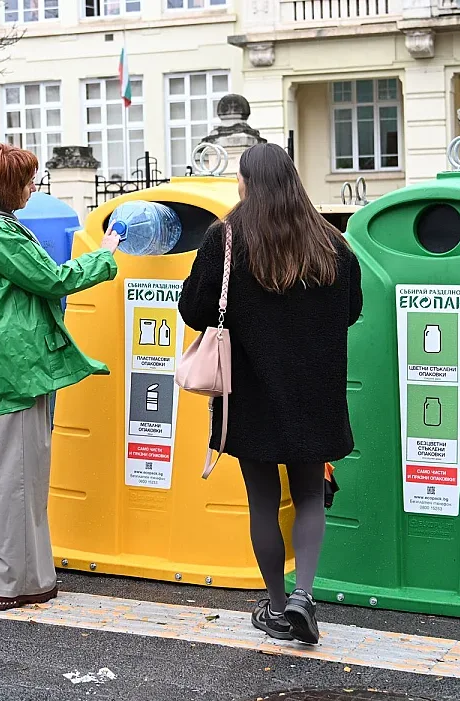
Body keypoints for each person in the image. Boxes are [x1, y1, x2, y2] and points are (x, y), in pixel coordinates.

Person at [178, 142, 362, 645]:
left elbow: (194, 310)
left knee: (262, 501)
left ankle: (277, 609)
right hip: (315, 393)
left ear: (246, 182)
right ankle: (305, 595)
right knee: (308, 497)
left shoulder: (226, 238)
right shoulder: (332, 242)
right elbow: (351, 309)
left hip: (251, 394)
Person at [0, 143, 121, 611]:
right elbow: (55, 280)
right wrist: (106, 254)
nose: (34, 187)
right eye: (28, 180)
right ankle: (21, 583)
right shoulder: (1, 233)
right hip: (16, 371)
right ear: (8, 187)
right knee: (19, 479)